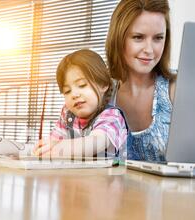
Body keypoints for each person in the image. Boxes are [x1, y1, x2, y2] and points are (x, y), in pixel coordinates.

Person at [105, 0, 177, 162]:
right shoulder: (102, 92)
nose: (149, 50)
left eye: (158, 38)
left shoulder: (177, 88)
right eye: (138, 37)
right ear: (118, 38)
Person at [33, 49, 128, 160]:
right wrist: (45, 147)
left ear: (103, 84)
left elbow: (96, 142)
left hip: (109, 176)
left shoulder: (112, 116)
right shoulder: (68, 115)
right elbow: (53, 140)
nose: (74, 94)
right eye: (67, 91)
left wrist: (59, 148)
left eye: (82, 85)